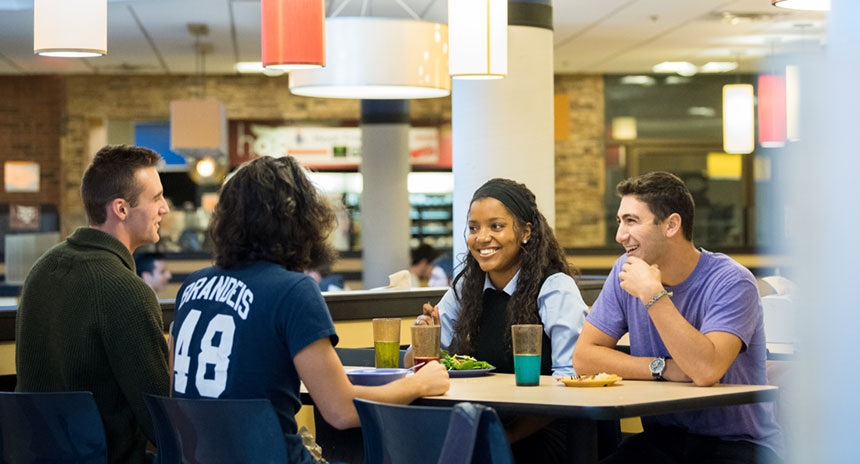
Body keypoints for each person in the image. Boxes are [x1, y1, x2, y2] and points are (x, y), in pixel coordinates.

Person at [172, 155, 449, 464]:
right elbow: (341, 411)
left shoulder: (192, 286)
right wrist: (418, 384)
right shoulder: (292, 290)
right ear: (301, 219)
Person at [572, 172, 784, 464]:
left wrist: (652, 295)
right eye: (620, 221)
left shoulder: (732, 281)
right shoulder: (625, 270)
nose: (620, 235)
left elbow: (706, 370)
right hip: (663, 441)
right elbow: (584, 357)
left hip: (738, 445)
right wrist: (662, 368)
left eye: (631, 221)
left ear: (671, 224)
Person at [412, 178, 587, 463]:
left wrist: (508, 436)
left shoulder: (554, 288)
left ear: (526, 232)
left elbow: (569, 382)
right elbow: (414, 365)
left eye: (496, 226)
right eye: (473, 228)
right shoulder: (466, 288)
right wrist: (423, 339)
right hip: (480, 427)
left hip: (543, 432)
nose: (481, 238)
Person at [16, 145, 171, 464]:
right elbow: (162, 422)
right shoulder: (126, 291)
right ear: (121, 209)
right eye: (156, 198)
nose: (165, 209)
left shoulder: (42, 269)